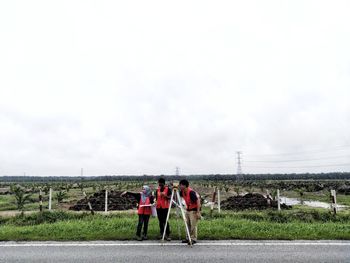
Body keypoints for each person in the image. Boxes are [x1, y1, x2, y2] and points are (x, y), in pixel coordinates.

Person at [179, 179, 201, 244]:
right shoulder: (182, 192)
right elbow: (176, 195)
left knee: (193, 225)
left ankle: (193, 239)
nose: (180, 186)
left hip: (193, 210)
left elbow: (198, 201)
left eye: (181, 185)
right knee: (187, 224)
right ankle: (188, 238)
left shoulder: (191, 192)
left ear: (185, 185)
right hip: (188, 210)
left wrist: (198, 212)